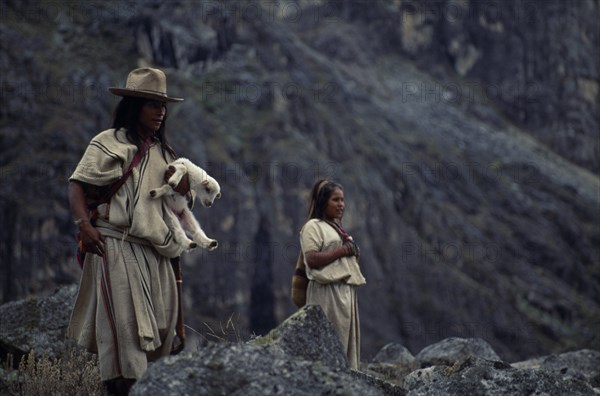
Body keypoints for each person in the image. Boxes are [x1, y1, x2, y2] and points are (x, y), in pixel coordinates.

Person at [67, 68, 191, 395]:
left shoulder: (166, 155)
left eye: (163, 106)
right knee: (126, 334)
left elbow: (175, 210)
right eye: (153, 104)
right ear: (134, 106)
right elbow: (78, 186)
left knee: (161, 335)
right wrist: (84, 225)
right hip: (116, 245)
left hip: (159, 253)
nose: (161, 112)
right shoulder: (109, 143)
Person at [299, 179, 366, 370]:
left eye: (343, 200)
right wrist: (344, 251)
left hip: (345, 295)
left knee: (344, 348)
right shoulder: (313, 227)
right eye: (335, 200)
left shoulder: (337, 229)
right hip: (326, 294)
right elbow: (311, 259)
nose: (341, 205)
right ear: (322, 202)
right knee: (327, 347)